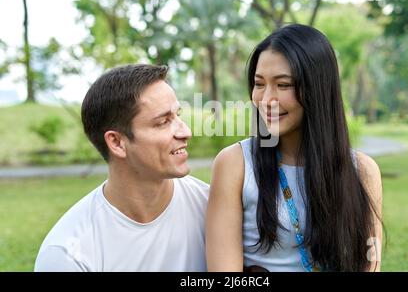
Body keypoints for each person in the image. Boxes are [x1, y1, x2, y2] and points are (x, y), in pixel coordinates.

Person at [206, 24, 383, 272]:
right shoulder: (235, 163)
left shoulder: (363, 171)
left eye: (283, 85)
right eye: (259, 84)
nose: (266, 100)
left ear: (317, 89)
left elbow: (369, 266)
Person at [35, 64, 209, 272]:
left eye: (178, 115)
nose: (185, 131)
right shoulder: (68, 254)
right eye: (163, 122)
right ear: (117, 143)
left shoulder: (211, 207)